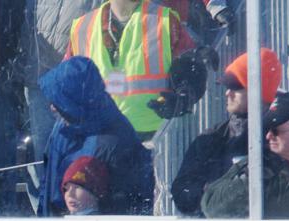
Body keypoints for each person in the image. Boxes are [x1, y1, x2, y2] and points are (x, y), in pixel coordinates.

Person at [65, 0, 205, 137]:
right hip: (100, 138)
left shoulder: (165, 21)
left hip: (155, 138)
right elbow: (65, 84)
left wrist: (182, 98)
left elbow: (191, 67)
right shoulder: (82, 28)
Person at [172, 49, 283, 216]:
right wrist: (215, 196)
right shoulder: (212, 138)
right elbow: (182, 192)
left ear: (258, 90)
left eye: (235, 87)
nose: (227, 93)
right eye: (227, 86)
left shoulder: (282, 136)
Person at [37, 56, 153, 216]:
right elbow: (47, 182)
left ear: (76, 101)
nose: (52, 108)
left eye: (60, 102)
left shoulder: (112, 142)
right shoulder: (65, 125)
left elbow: (125, 203)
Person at [202, 91, 289, 219]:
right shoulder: (258, 162)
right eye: (267, 129)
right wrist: (250, 180)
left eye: (275, 131)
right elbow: (211, 208)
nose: (268, 136)